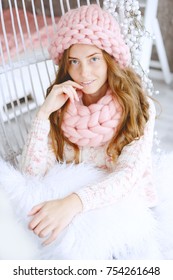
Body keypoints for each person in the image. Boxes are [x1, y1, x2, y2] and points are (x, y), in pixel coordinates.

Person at [19, 4, 159, 259]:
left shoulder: (139, 106)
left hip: (122, 208)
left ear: (110, 59)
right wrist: (43, 115)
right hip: (72, 209)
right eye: (74, 61)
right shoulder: (62, 105)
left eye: (94, 58)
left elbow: (127, 177)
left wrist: (72, 203)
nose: (84, 73)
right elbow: (31, 175)